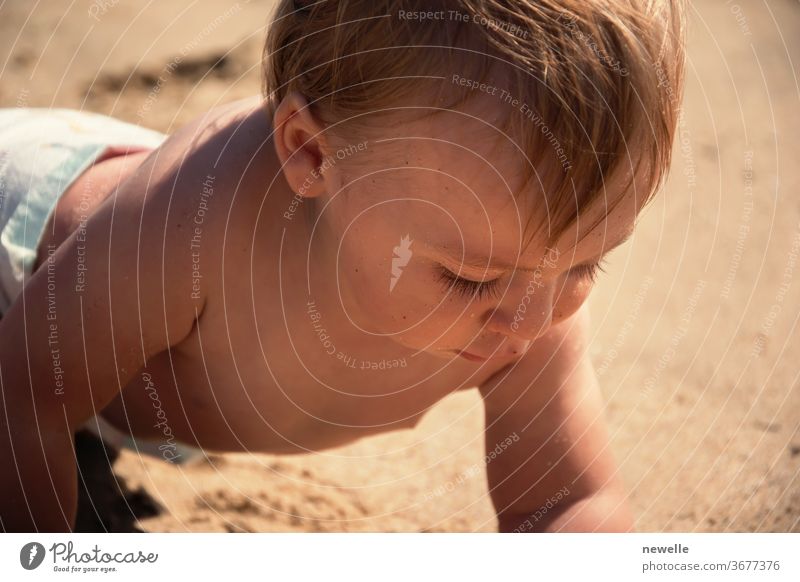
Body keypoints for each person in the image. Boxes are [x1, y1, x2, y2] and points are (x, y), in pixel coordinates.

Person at [0, 0, 685, 532]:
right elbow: (24, 394)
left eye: (587, 264)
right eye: (470, 278)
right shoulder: (190, 229)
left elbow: (566, 497)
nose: (532, 320)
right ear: (313, 154)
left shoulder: (524, 273)